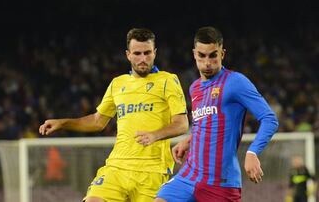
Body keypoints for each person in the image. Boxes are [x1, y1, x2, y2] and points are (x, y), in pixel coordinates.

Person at [39, 28, 189, 202]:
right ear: (128, 55)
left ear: (155, 53)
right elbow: (97, 121)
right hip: (117, 167)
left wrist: (155, 135)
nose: (142, 59)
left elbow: (182, 123)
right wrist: (63, 123)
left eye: (147, 53)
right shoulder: (117, 84)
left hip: (152, 171)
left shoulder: (168, 80)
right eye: (137, 53)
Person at [155, 26, 279, 202]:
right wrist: (189, 140)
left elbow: (269, 119)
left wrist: (252, 152)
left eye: (213, 55)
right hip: (189, 176)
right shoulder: (194, 88)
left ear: (222, 54)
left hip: (220, 183)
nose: (207, 62)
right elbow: (204, 121)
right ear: (194, 54)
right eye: (202, 55)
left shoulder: (235, 82)